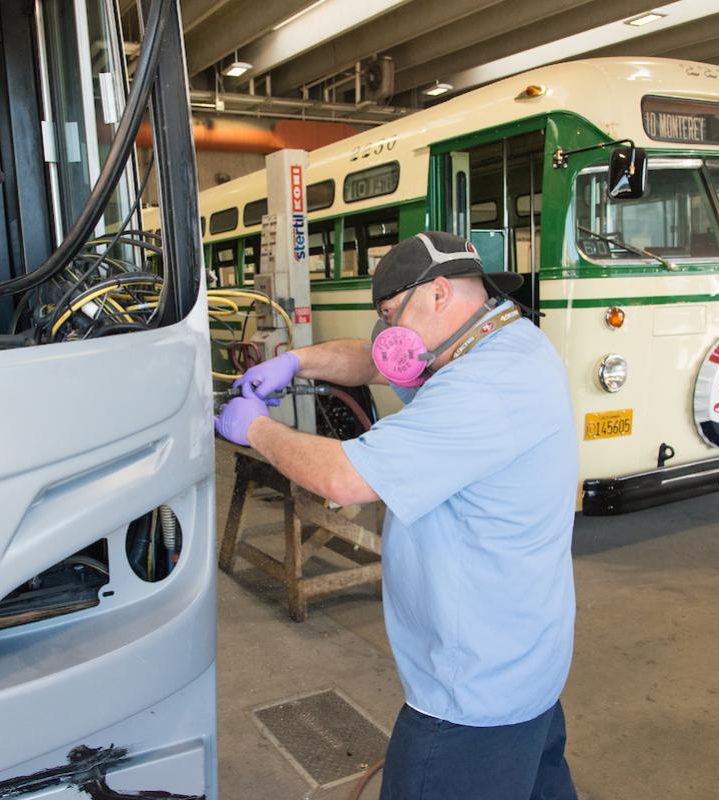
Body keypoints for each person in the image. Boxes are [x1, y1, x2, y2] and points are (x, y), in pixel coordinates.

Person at [215, 231, 578, 800]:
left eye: (390, 315)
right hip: (523, 667)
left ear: (436, 293)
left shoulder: (484, 388)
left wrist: (255, 429)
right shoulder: (502, 342)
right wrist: (296, 361)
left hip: (470, 696)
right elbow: (378, 364)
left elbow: (345, 478)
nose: (386, 335)